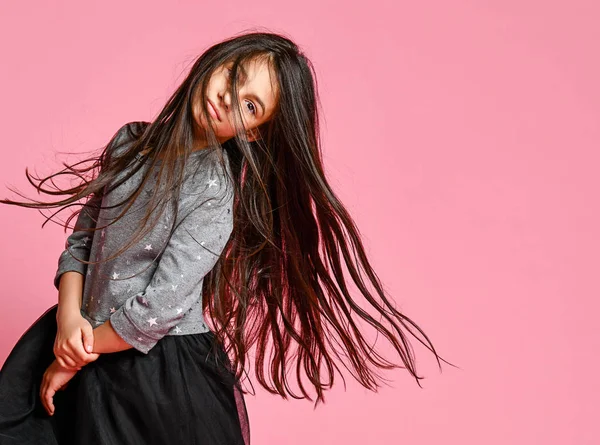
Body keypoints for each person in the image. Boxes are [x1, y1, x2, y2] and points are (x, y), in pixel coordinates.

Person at [0, 31, 456, 444]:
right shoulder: (128, 143)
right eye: (234, 77)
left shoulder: (214, 196)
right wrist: (67, 324)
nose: (229, 98)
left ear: (252, 131)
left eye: (251, 105)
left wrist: (72, 357)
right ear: (215, 60)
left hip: (152, 371)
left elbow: (159, 308)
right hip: (83, 336)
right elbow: (84, 240)